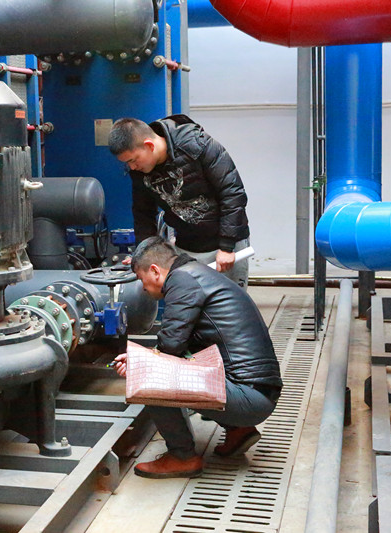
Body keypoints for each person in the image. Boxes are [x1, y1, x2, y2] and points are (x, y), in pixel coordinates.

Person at [113, 237, 282, 479]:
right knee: (168, 359)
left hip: (250, 396)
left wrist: (140, 361)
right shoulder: (196, 273)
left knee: (151, 372)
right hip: (260, 390)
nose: (143, 288)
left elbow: (170, 346)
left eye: (141, 279)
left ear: (155, 271)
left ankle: (182, 457)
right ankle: (238, 430)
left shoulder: (182, 281)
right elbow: (180, 343)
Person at [108, 115, 250, 287]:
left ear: (149, 145)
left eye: (133, 160)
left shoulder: (197, 145)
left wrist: (227, 247)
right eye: (127, 163)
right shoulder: (140, 172)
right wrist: (144, 255)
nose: (132, 167)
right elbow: (143, 214)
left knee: (230, 302)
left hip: (226, 246)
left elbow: (232, 194)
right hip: (187, 247)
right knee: (189, 301)